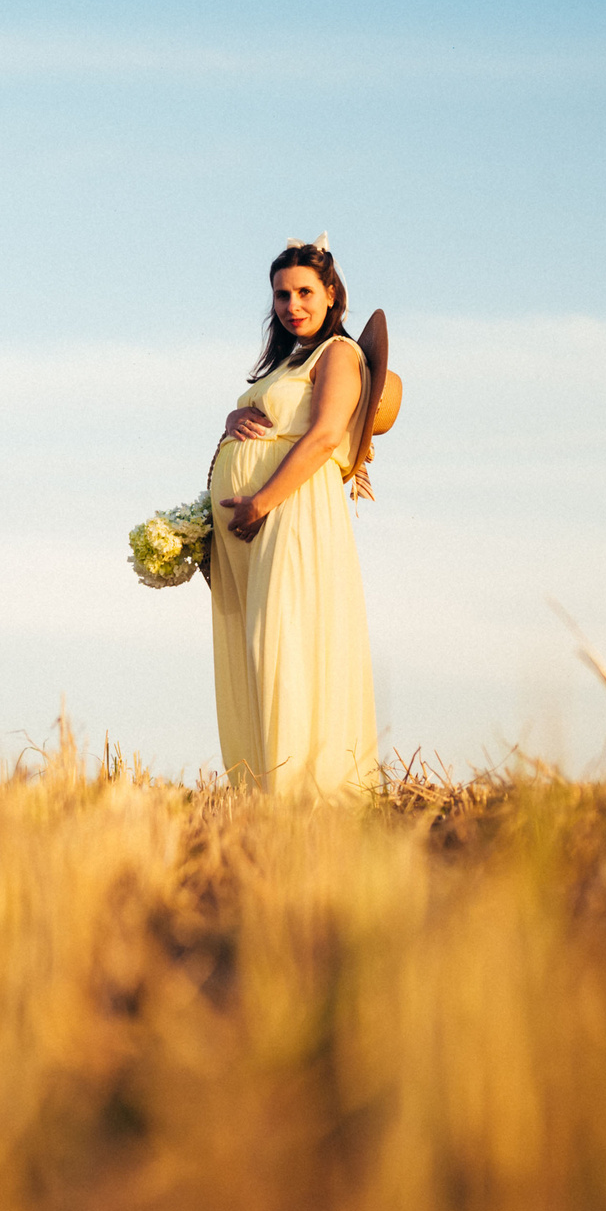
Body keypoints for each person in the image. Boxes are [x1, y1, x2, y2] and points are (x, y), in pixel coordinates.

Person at [204, 237, 380, 798]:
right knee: (255, 646)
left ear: (332, 294)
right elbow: (274, 416)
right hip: (257, 524)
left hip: (293, 511)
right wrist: (238, 414)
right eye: (282, 295)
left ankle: (309, 788)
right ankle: (263, 787)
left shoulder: (339, 356)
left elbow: (326, 433)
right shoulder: (286, 363)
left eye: (305, 292)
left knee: (284, 640)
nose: (292, 305)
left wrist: (260, 500)